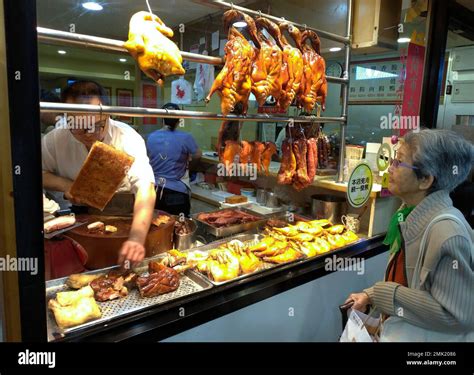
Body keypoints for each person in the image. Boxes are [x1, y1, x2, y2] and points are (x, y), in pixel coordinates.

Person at [345, 129, 474, 341]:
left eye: (398, 162)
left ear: (425, 180)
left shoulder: (447, 232)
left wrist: (381, 293)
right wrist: (370, 295)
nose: (390, 167)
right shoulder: (409, 214)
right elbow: (411, 284)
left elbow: (456, 316)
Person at [42, 80, 156, 265]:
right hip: (76, 216)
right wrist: (67, 185)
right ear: (66, 116)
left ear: (108, 114)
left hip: (125, 213)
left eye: (97, 125)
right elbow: (37, 173)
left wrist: (136, 238)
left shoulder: (126, 137)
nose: (89, 133)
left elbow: (145, 187)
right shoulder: (55, 139)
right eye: (79, 125)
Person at [147, 102, 201, 216]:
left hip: (155, 190)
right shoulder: (186, 137)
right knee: (179, 228)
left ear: (162, 118)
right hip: (177, 192)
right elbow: (197, 155)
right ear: (178, 120)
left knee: (159, 227)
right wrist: (190, 169)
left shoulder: (151, 137)